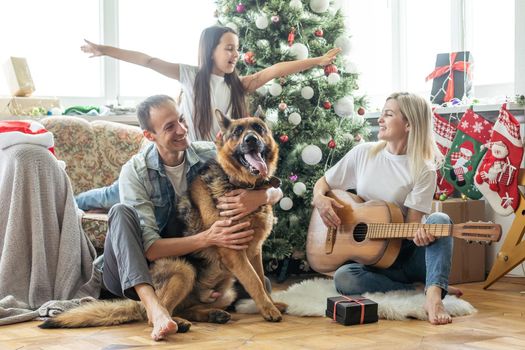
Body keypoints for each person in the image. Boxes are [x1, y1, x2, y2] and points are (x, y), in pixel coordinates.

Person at [76, 25, 340, 211]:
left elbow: (274, 70)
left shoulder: (238, 85)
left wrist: (317, 61)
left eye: (237, 49)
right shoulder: (190, 76)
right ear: (210, 50)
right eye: (229, 48)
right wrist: (104, 50)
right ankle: (73, 202)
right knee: (114, 194)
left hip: (211, 164)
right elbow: (148, 60)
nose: (235, 54)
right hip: (183, 157)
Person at [99, 94, 282, 341]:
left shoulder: (207, 153)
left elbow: (274, 186)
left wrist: (264, 196)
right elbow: (150, 249)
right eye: (169, 126)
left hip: (185, 263)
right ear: (149, 136)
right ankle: (155, 309)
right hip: (134, 271)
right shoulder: (135, 172)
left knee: (259, 288)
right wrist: (208, 237)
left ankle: (193, 308)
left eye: (181, 120)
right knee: (119, 211)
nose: (182, 130)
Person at [312, 92, 460, 326]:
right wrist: (319, 199)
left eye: (388, 114)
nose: (380, 119)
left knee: (440, 219)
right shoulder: (364, 153)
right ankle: (418, 286)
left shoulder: (423, 168)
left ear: (409, 124)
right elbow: (324, 183)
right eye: (381, 113)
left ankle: (433, 297)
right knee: (345, 279)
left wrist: (419, 233)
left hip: (407, 252)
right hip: (373, 260)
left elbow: (412, 225)